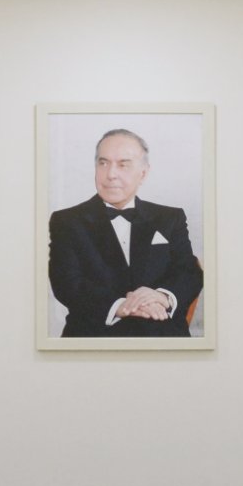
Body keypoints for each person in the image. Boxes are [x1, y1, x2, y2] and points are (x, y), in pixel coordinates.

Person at [46, 128, 204, 338]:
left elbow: (189, 271)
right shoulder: (66, 221)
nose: (111, 174)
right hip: (94, 337)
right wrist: (121, 306)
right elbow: (66, 282)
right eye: (103, 163)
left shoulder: (170, 218)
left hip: (161, 334)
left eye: (123, 164)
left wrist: (161, 297)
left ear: (143, 173)